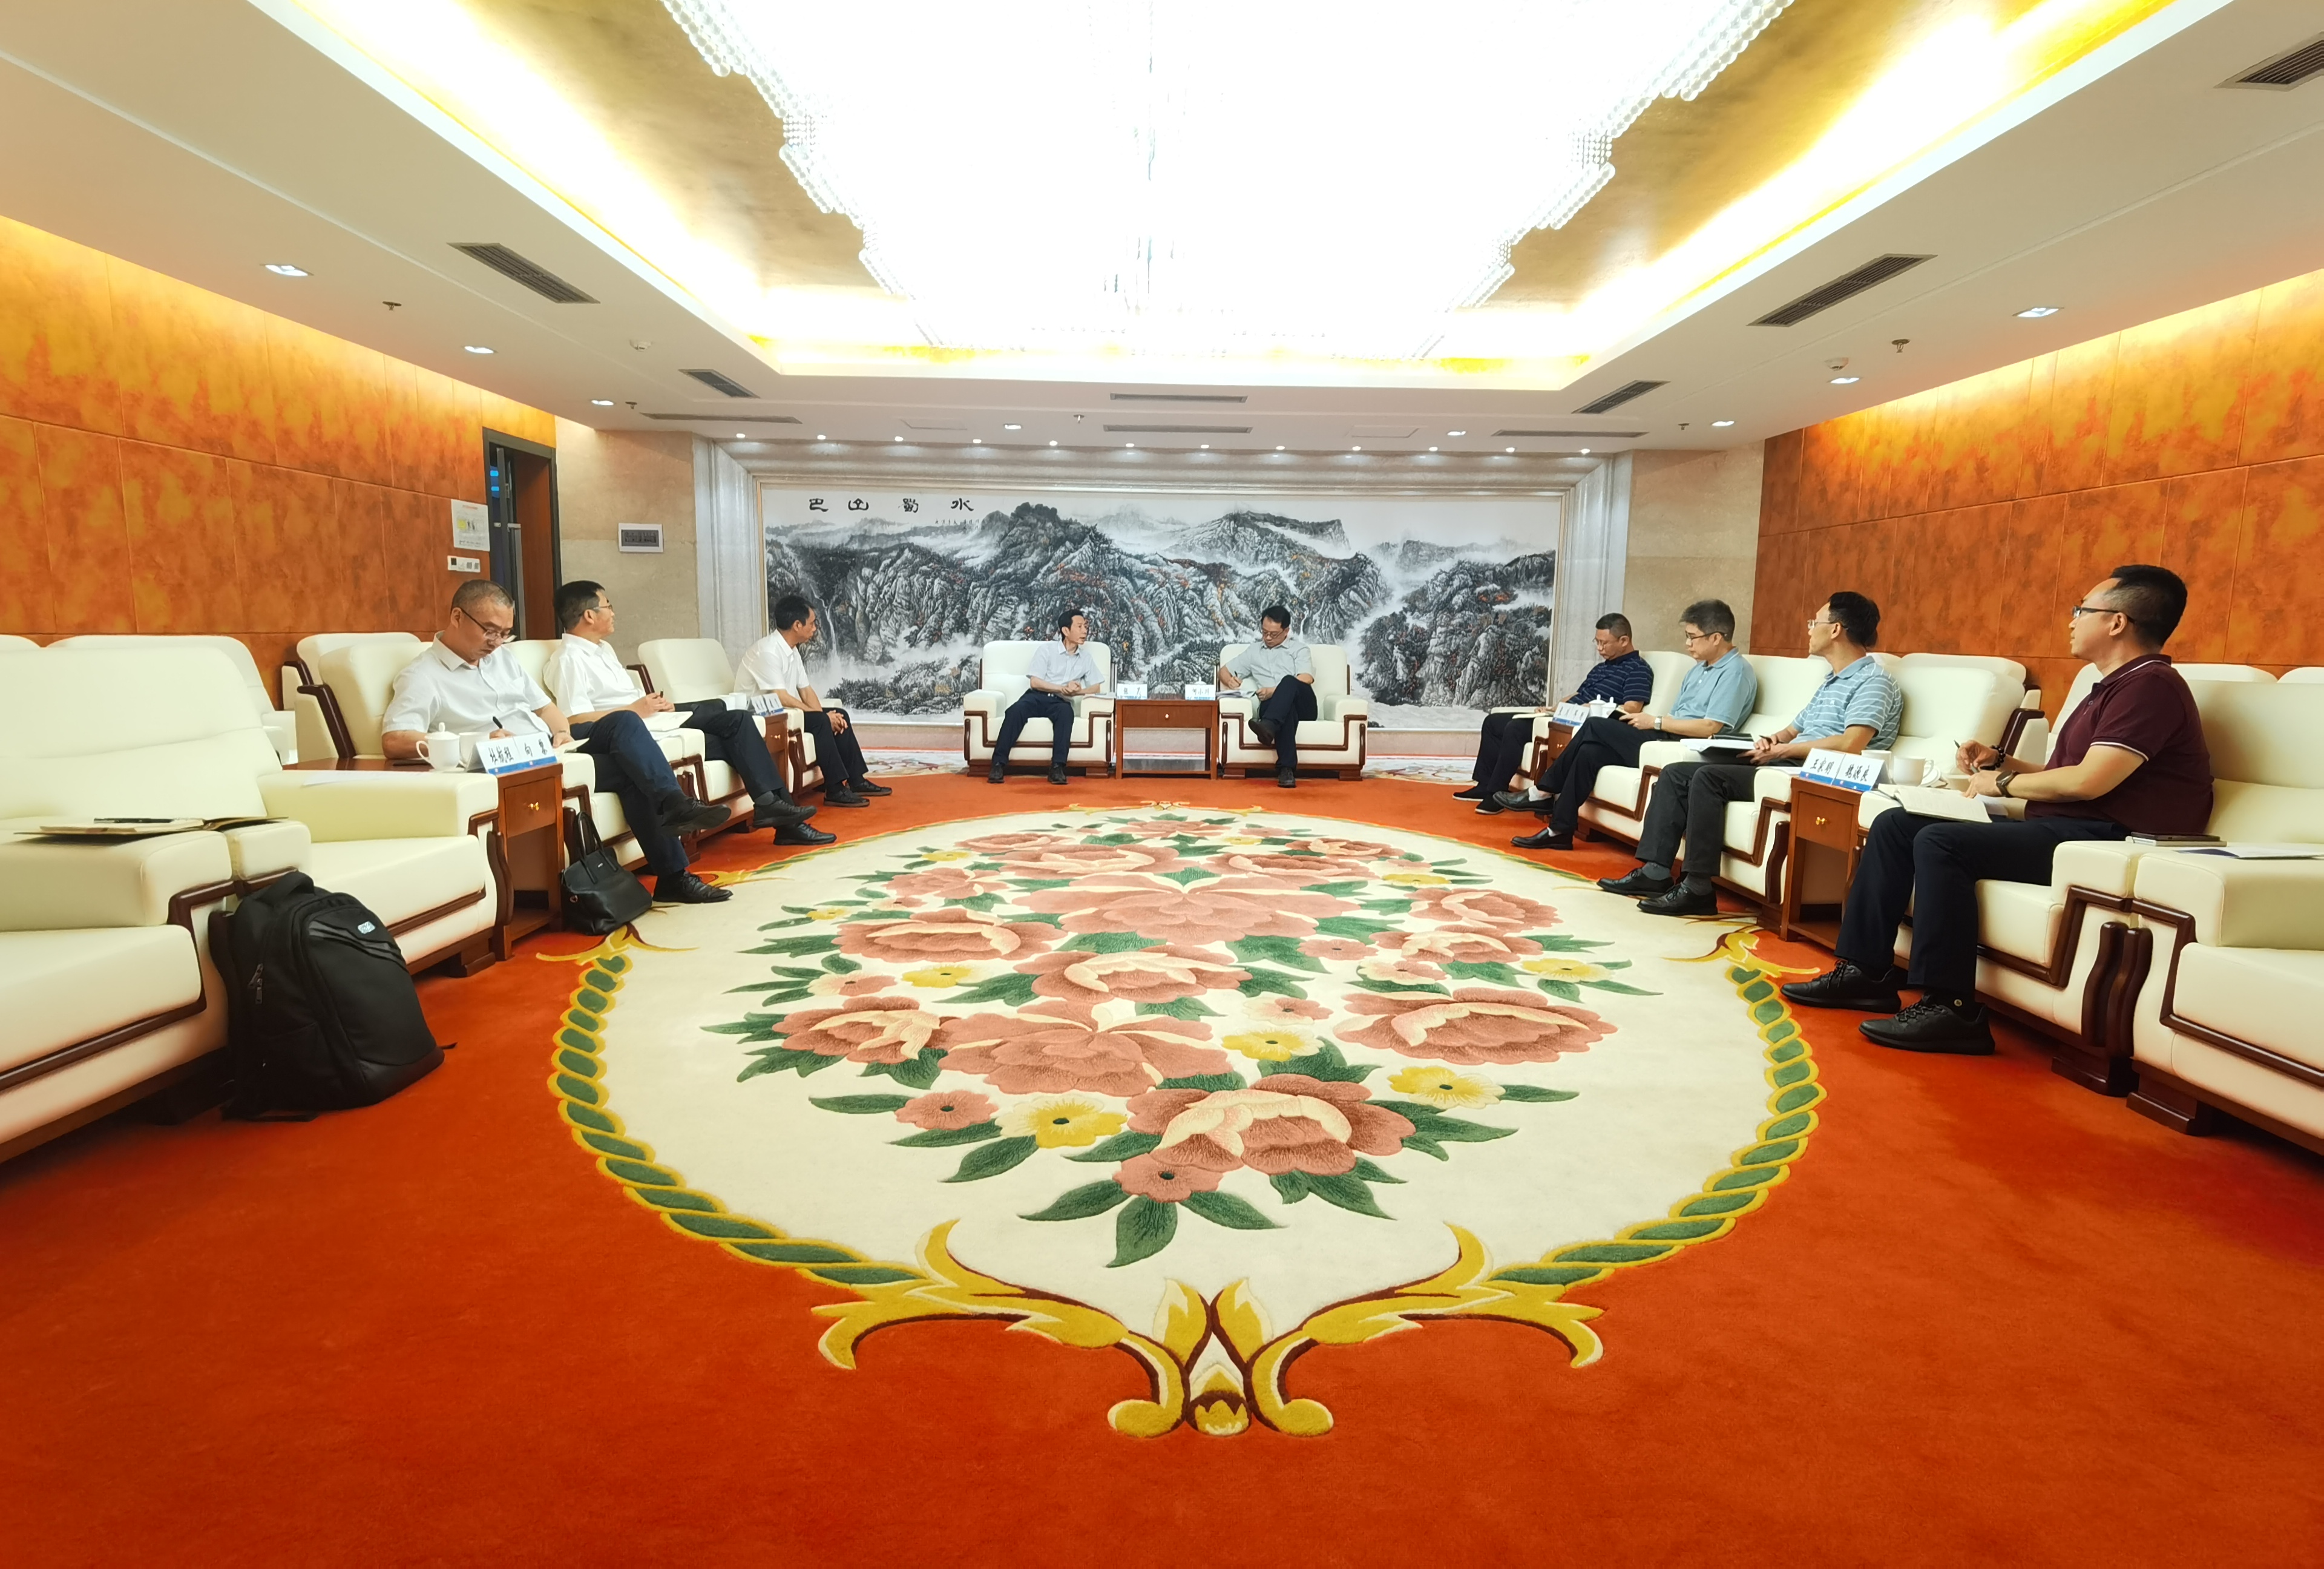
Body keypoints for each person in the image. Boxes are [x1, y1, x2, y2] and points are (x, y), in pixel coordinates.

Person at [1784, 565, 2213, 1054]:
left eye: (2082, 610)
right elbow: (2065, 771)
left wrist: (2004, 783)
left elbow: (2089, 782)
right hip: (2069, 824)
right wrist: (2002, 760)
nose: (2071, 620)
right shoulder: (2110, 686)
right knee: (1896, 824)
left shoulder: (2150, 686)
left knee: (1941, 842)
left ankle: (1951, 1009)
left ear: (2117, 622)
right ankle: (1865, 973)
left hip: (2107, 838)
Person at [381, 581, 735, 905]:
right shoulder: (423, 675)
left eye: (505, 633)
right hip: (513, 767)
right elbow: (395, 740)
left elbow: (546, 708)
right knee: (628, 751)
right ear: (457, 617)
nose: (496, 641)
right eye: (489, 630)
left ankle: (674, 832)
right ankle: (674, 853)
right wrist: (475, 741)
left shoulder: (501, 659)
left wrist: (562, 730)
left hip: (552, 751)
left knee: (626, 734)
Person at [1599, 591, 1902, 918]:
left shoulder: (1874, 682)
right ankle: (1655, 872)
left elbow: (1850, 744)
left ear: (1836, 630)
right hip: (1789, 759)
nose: (1809, 629)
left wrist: (1785, 749)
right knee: (1676, 772)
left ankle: (1697, 889)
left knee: (1709, 778)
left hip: (1815, 771)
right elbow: (1793, 729)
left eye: (1815, 622)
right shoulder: (1832, 680)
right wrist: (1773, 741)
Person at [550, 581, 830, 847]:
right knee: (734, 739)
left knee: (736, 718)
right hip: (633, 732)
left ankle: (771, 806)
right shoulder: (568, 659)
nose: (613, 613)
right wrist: (634, 709)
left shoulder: (604, 650)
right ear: (589, 615)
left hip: (656, 721)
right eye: (608, 606)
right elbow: (574, 720)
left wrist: (654, 705)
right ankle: (786, 822)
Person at [1512, 600, 1758, 852]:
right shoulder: (1698, 670)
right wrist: (1653, 723)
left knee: (1595, 725)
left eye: (1692, 637)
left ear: (1716, 637)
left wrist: (1656, 721)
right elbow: (1675, 716)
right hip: (1665, 735)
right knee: (1589, 752)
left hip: (1684, 746)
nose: (1687, 644)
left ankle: (1542, 792)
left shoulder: (1735, 672)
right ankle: (1559, 831)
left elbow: (1711, 727)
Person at [1464, 613, 1655, 815]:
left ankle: (1494, 794)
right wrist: (1554, 708)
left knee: (1516, 728)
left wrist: (1592, 707)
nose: (1600, 649)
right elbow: (1579, 694)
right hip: (1565, 715)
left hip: (1581, 724)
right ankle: (1484, 784)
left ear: (1624, 641)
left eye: (1604, 643)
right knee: (1493, 722)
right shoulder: (1601, 668)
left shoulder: (1638, 669)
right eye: (1597, 642)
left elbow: (1632, 707)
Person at [735, 596, 890, 808]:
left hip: (785, 713)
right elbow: (780, 696)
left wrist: (827, 716)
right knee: (820, 721)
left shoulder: (792, 650)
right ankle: (835, 789)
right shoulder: (768, 652)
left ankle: (857, 780)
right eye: (812, 623)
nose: (815, 628)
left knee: (839, 715)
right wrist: (822, 718)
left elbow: (806, 691)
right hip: (764, 718)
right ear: (797, 625)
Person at [986, 609, 1104, 785]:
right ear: (1066, 631)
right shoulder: (1047, 650)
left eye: (1085, 627)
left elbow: (1097, 687)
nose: (1085, 631)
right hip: (1037, 697)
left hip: (1060, 702)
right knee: (1015, 711)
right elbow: (1035, 682)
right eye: (1079, 627)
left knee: (1066, 714)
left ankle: (1057, 767)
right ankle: (998, 764)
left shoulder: (1085, 658)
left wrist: (1075, 692)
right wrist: (1062, 688)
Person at [1218, 605, 1316, 788]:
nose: (1268, 638)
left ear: (1286, 631)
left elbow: (1306, 678)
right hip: (1274, 707)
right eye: (1265, 633)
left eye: (1274, 634)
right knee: (1286, 710)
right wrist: (1230, 681)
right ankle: (1286, 770)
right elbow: (1224, 670)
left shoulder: (1299, 649)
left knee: (1289, 681)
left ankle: (1268, 725)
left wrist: (1274, 690)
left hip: (1304, 704)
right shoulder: (1254, 651)